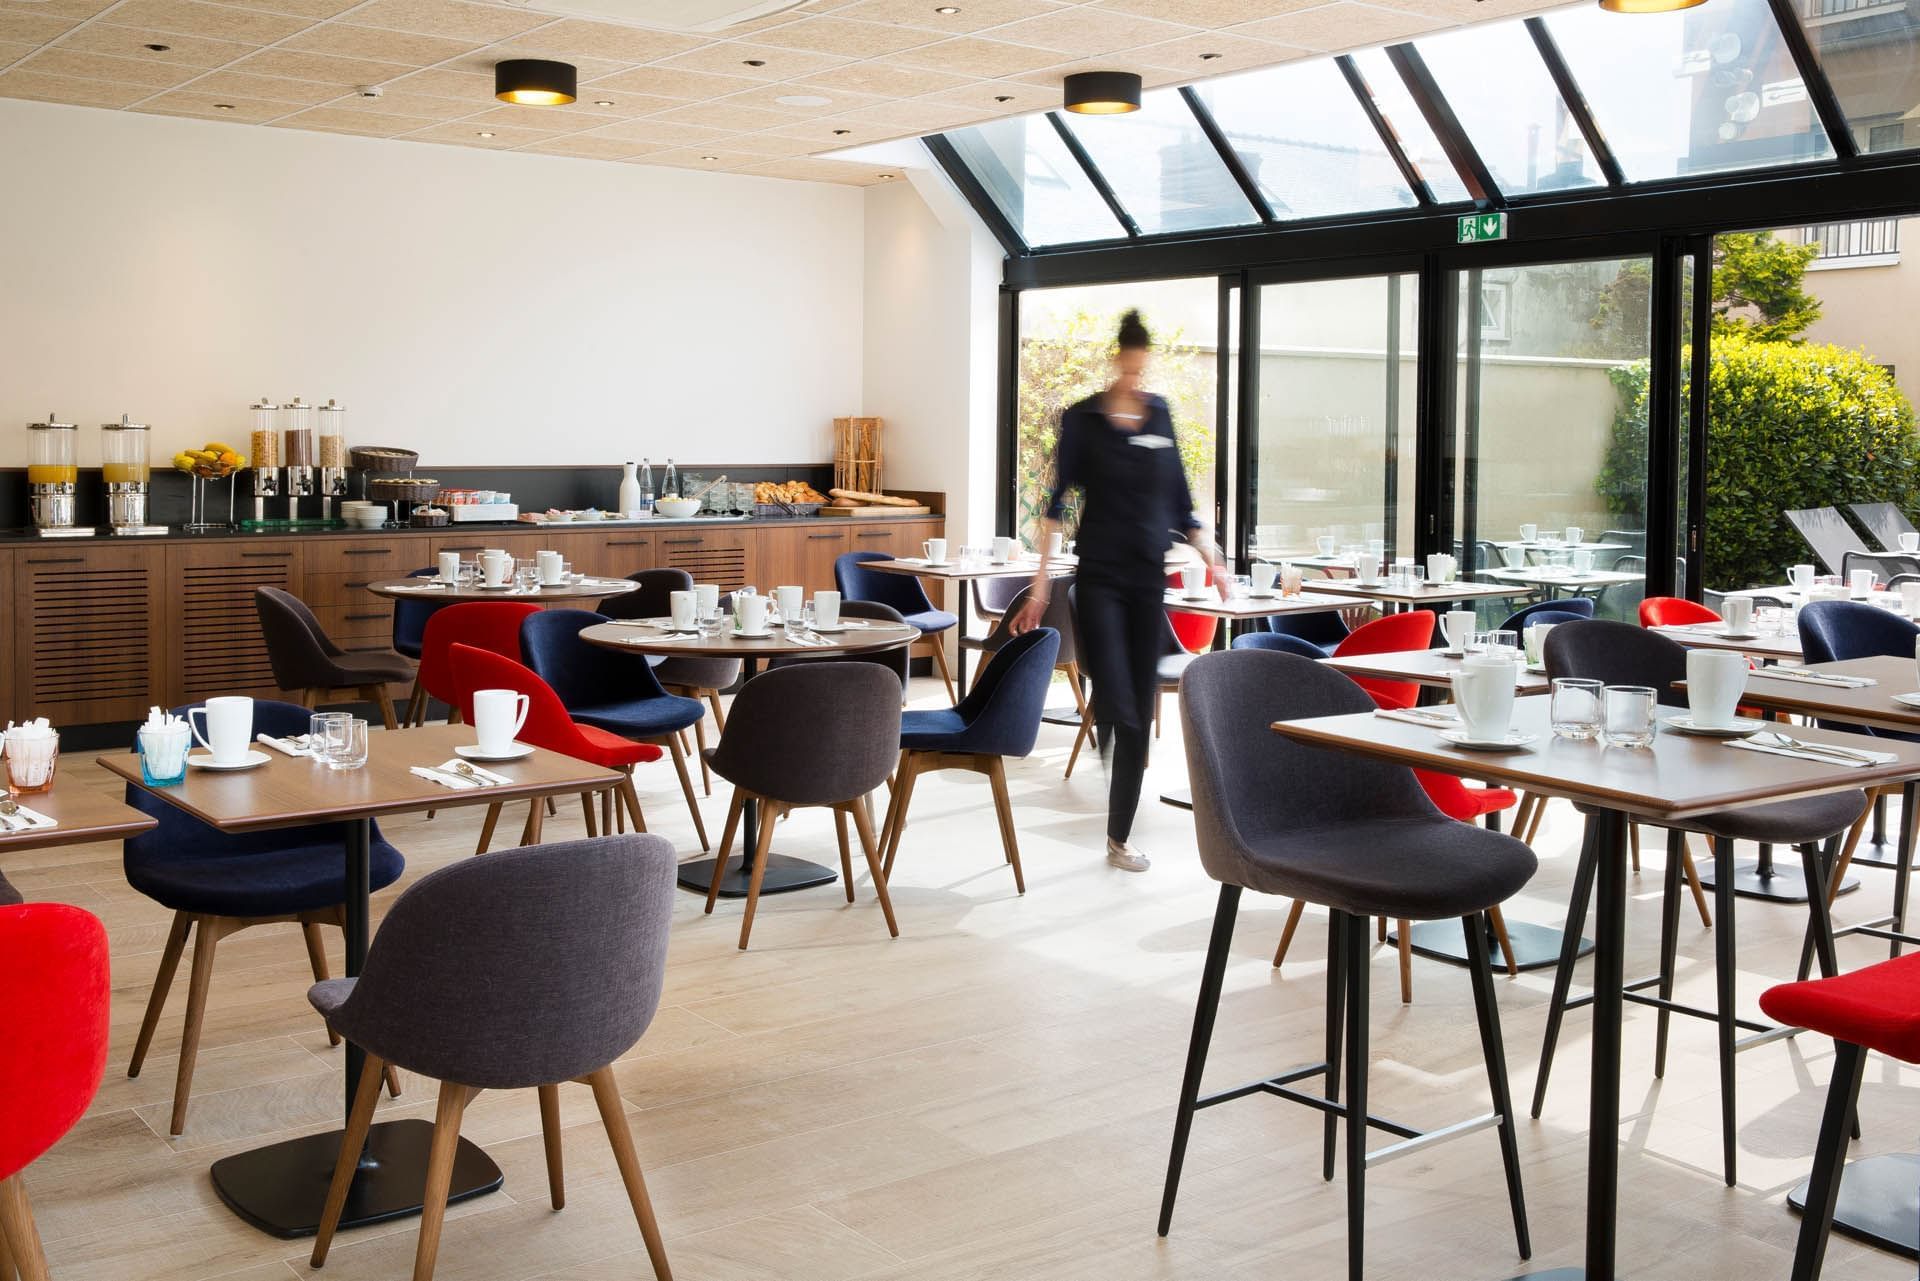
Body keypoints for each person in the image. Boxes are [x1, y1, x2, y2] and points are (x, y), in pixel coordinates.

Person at [1011, 310, 1220, 872]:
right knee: (1122, 706)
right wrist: (1039, 589)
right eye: (1127, 365)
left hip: (1148, 580)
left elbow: (1182, 502)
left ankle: (1118, 835)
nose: (1134, 376)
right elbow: (1056, 507)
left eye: (1140, 366)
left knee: (1137, 710)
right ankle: (1118, 808)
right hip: (1100, 578)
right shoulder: (1082, 418)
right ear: (1117, 358)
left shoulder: (1161, 414)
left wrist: (1212, 555)